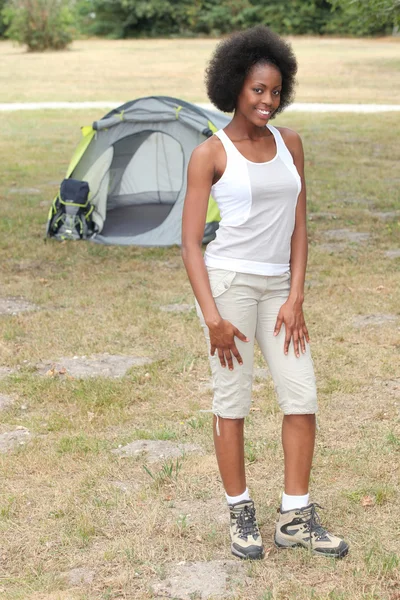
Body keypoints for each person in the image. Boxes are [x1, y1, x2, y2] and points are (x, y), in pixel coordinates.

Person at [181, 25, 349, 561]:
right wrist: (212, 317)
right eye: (258, 90)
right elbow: (188, 245)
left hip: (280, 287)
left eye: (276, 91)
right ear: (234, 86)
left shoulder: (290, 144)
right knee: (232, 403)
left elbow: (300, 225)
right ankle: (241, 512)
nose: (268, 101)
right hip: (229, 286)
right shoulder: (211, 153)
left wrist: (296, 295)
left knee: (301, 397)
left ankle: (295, 516)